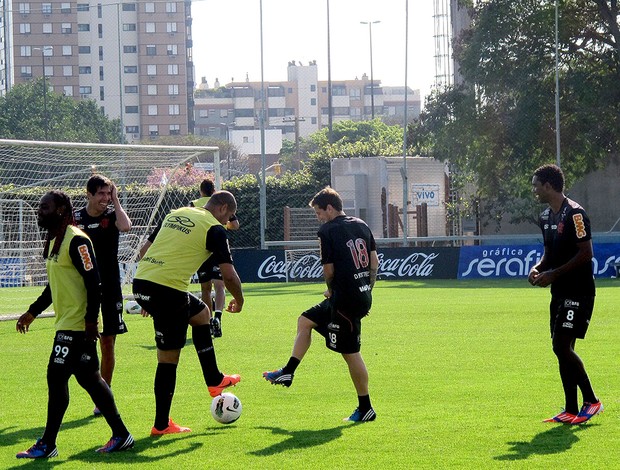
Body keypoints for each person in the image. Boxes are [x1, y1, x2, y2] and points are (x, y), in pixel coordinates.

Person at [15, 191, 134, 459]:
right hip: (68, 323)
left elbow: (95, 284)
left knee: (56, 377)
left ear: (60, 210)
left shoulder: (77, 240)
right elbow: (52, 286)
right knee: (90, 378)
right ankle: (121, 434)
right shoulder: (53, 240)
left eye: (44, 207)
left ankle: (47, 443)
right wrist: (32, 312)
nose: (39, 211)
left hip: (78, 325)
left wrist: (91, 322)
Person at [132, 190, 244, 435]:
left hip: (142, 283)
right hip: (167, 292)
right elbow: (229, 275)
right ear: (223, 208)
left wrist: (148, 294)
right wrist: (240, 299)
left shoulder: (176, 213)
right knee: (168, 359)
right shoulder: (214, 228)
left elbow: (143, 252)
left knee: (202, 314)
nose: (228, 222)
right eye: (230, 216)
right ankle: (161, 425)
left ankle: (214, 379)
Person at [263, 187, 379, 422]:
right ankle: (287, 372)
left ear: (329, 207)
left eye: (318, 212)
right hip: (358, 295)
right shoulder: (362, 225)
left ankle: (366, 408)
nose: (318, 217)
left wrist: (332, 288)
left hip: (344, 299)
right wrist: (366, 290)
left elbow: (328, 269)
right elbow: (374, 264)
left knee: (350, 353)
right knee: (305, 320)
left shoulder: (327, 230)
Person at [528, 164, 603, 425]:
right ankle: (571, 409)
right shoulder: (546, 217)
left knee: (561, 346)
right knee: (562, 349)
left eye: (536, 185)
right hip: (559, 292)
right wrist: (539, 268)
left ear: (548, 186)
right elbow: (549, 254)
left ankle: (592, 401)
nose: (534, 189)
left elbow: (586, 253)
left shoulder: (576, 214)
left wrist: (553, 275)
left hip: (579, 292)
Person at [74, 174, 131, 416]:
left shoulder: (111, 215)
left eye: (109, 194)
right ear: (89, 194)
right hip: (83, 288)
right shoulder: (76, 218)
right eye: (101, 194)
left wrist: (116, 201)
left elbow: (126, 226)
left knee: (107, 342)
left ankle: (103, 396)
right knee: (81, 342)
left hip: (109, 286)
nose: (105, 199)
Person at [189, 179, 239, 338]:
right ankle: (217, 318)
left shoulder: (195, 203)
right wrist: (226, 225)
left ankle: (207, 321)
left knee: (205, 288)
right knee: (220, 286)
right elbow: (235, 225)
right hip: (218, 246)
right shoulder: (221, 203)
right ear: (213, 190)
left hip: (201, 248)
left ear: (201, 191)